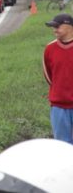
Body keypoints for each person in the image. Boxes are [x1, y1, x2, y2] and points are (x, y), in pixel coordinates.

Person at [43, 13, 73, 144]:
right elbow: (49, 76)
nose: (54, 30)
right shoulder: (50, 48)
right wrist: (59, 90)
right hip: (59, 106)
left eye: (57, 27)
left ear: (69, 27)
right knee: (62, 145)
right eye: (52, 27)